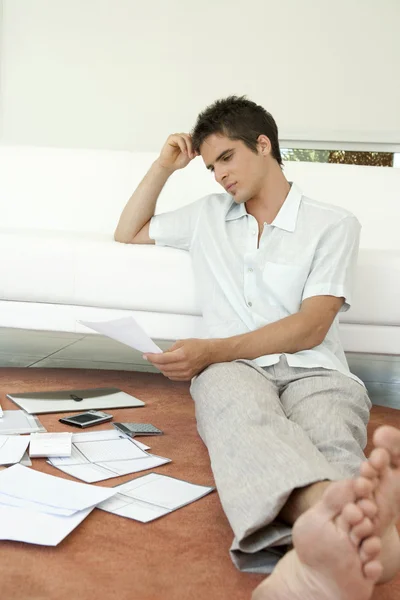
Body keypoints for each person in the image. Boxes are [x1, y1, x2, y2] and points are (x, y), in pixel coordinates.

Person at [114, 96, 400, 597]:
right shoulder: (207, 215)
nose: (219, 175)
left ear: (263, 144)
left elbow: (312, 327)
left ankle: (325, 541)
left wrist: (211, 349)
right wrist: (163, 167)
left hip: (316, 369)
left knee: (333, 431)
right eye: (209, 167)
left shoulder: (334, 224)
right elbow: (128, 231)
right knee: (241, 421)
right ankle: (351, 523)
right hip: (234, 370)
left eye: (226, 158)